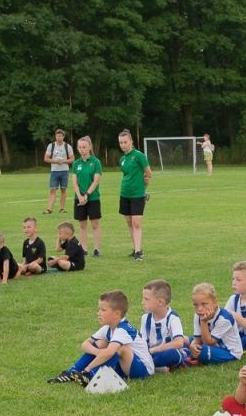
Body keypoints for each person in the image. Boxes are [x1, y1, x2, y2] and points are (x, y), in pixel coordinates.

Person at [49, 290, 153, 384]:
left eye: (103, 310)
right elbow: (85, 344)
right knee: (101, 343)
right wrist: (98, 352)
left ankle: (90, 375)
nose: (98, 313)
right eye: (99, 309)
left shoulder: (123, 329)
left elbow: (110, 352)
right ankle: (71, 373)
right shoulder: (107, 327)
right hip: (125, 366)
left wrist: (87, 369)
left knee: (120, 348)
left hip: (143, 369)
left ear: (116, 314)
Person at [188, 282, 244, 365]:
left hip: (229, 352)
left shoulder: (224, 319)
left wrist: (203, 322)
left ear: (215, 302)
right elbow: (197, 339)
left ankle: (189, 358)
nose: (199, 309)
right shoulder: (198, 315)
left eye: (204, 304)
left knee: (202, 350)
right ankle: (190, 356)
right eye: (196, 305)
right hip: (212, 346)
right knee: (185, 341)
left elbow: (209, 342)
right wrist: (193, 345)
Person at [117, 130, 151, 260]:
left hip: (137, 195)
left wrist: (144, 188)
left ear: (131, 141)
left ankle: (138, 252)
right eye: (121, 142)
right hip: (124, 193)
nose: (123, 145)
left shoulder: (139, 156)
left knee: (137, 223)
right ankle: (135, 248)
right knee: (129, 222)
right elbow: (126, 175)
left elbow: (148, 173)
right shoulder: (122, 159)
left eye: (125, 142)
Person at [140, 280, 189, 370]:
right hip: (151, 353)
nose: (142, 302)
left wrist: (154, 350)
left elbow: (179, 343)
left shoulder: (173, 318)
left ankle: (148, 366)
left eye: (146, 299)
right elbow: (143, 342)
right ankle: (155, 367)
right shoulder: (145, 318)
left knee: (172, 354)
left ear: (160, 302)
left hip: (165, 352)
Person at [71, 136, 104, 257]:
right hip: (79, 198)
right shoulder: (76, 163)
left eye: (84, 147)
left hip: (93, 198)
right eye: (80, 147)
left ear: (90, 147)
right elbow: (74, 182)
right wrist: (80, 196)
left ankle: (96, 249)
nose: (82, 149)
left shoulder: (96, 162)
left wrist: (86, 195)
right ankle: (84, 249)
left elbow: (95, 181)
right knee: (82, 225)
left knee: (95, 224)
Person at [43, 129, 75, 214]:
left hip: (64, 171)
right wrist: (55, 161)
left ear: (63, 137)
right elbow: (46, 158)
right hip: (54, 171)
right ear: (55, 136)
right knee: (52, 190)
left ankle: (62, 209)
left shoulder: (67, 146)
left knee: (63, 190)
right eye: (57, 136)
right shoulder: (51, 146)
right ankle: (49, 209)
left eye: (60, 136)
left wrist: (63, 161)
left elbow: (72, 159)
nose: (58, 137)